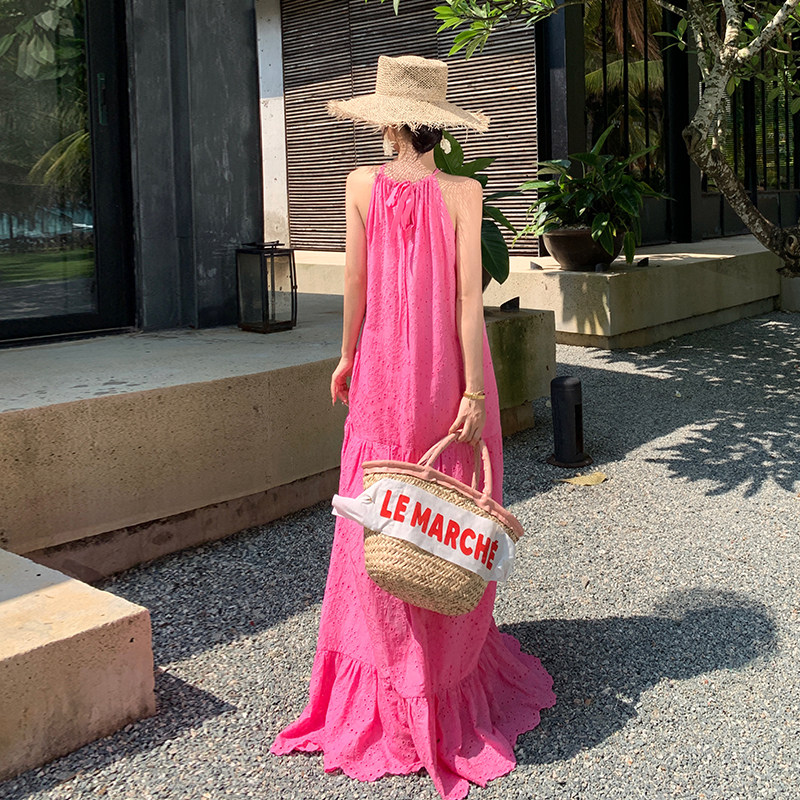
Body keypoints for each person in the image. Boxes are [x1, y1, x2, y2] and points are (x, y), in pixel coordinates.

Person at [271, 54, 556, 800]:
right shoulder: (465, 192)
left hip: (383, 368)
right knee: (444, 509)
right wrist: (472, 392)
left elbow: (356, 282)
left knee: (380, 511)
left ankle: (383, 680)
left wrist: (345, 357)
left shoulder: (360, 184)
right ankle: (442, 676)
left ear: (391, 123)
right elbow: (467, 301)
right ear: (438, 125)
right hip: (445, 371)